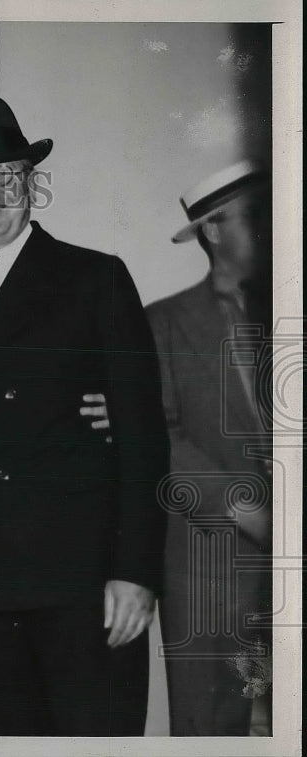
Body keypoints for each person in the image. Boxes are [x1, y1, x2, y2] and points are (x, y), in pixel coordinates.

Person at [0, 93, 170, 736]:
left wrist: (135, 572)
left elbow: (142, 439)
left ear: (31, 185)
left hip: (82, 586)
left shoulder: (95, 279)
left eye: (5, 176)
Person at [146, 160, 273, 736]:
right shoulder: (163, 324)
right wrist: (255, 514)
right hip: (212, 571)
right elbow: (158, 440)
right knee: (214, 728)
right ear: (215, 231)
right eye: (256, 218)